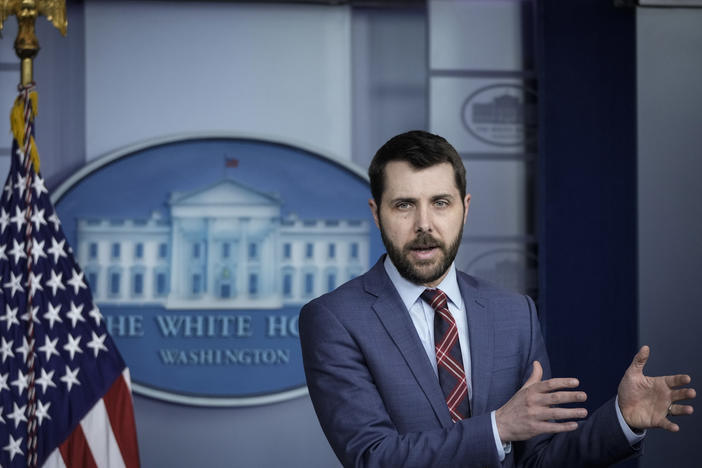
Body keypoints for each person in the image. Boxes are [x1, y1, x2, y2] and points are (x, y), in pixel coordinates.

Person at [299, 130, 695, 467]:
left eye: (440, 202)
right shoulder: (334, 319)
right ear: (376, 212)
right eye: (404, 205)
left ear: (464, 209)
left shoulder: (514, 313)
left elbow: (539, 458)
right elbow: (373, 456)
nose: (424, 224)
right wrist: (498, 427)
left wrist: (621, 420)